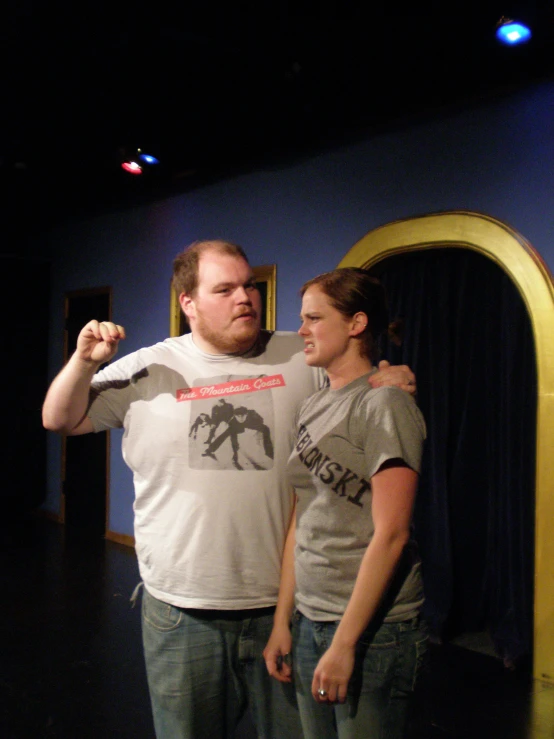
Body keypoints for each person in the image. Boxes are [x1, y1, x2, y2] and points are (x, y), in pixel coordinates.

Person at [42, 241, 417, 739]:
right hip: (183, 613)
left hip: (284, 611)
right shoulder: (149, 367)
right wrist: (83, 362)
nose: (245, 297)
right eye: (224, 289)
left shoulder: (300, 355)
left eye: (249, 286)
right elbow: (58, 418)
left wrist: (390, 375)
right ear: (188, 303)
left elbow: (359, 380)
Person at [263, 268, 427, 739]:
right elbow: (304, 515)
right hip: (311, 617)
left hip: (372, 632)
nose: (303, 330)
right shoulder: (315, 403)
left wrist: (345, 644)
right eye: (302, 318)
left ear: (356, 324)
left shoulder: (386, 405)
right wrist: (283, 620)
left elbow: (392, 533)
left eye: (314, 318)